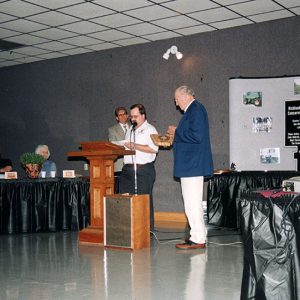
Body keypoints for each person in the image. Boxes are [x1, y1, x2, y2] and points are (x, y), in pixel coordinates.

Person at [168, 86, 213, 250]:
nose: (175, 102)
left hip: (193, 165)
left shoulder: (196, 110)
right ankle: (197, 237)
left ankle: (198, 239)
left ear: (185, 96)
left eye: (177, 98)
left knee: (192, 203)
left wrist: (177, 131)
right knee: (191, 203)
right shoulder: (192, 111)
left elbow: (197, 136)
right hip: (190, 165)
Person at [119, 104, 158, 232]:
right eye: (131, 116)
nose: (133, 119)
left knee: (143, 200)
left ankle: (147, 230)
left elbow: (153, 148)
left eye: (135, 116)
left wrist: (134, 145)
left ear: (143, 115)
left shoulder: (150, 129)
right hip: (127, 169)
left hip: (143, 170)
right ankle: (128, 229)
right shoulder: (130, 130)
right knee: (125, 198)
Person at [108, 107, 131, 192]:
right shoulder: (112, 130)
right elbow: (112, 145)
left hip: (133, 164)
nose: (122, 116)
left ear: (127, 116)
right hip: (119, 165)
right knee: (120, 191)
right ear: (117, 118)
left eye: (124, 114)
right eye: (120, 115)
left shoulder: (134, 128)